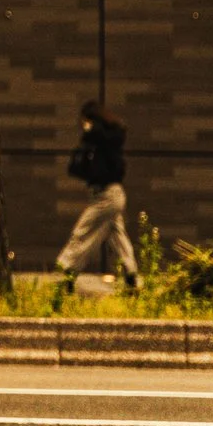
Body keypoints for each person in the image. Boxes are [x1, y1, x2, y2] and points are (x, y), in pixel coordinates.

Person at [56, 100, 138, 292]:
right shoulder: (107, 141)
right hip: (112, 194)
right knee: (117, 236)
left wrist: (89, 132)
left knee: (82, 232)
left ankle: (66, 270)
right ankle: (131, 274)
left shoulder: (101, 140)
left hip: (106, 196)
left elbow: (93, 167)